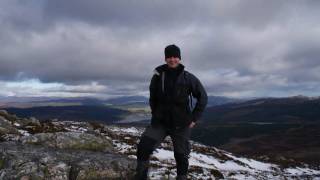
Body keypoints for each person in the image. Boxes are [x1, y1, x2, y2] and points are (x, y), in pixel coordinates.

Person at [134, 44, 208, 180]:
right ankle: (141, 177)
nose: (172, 59)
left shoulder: (188, 77)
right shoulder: (158, 75)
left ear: (179, 58)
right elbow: (153, 97)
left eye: (175, 57)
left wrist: (194, 118)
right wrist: (155, 114)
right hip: (160, 123)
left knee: (181, 157)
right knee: (143, 148)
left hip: (181, 125)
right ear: (165, 58)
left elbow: (203, 97)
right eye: (169, 57)